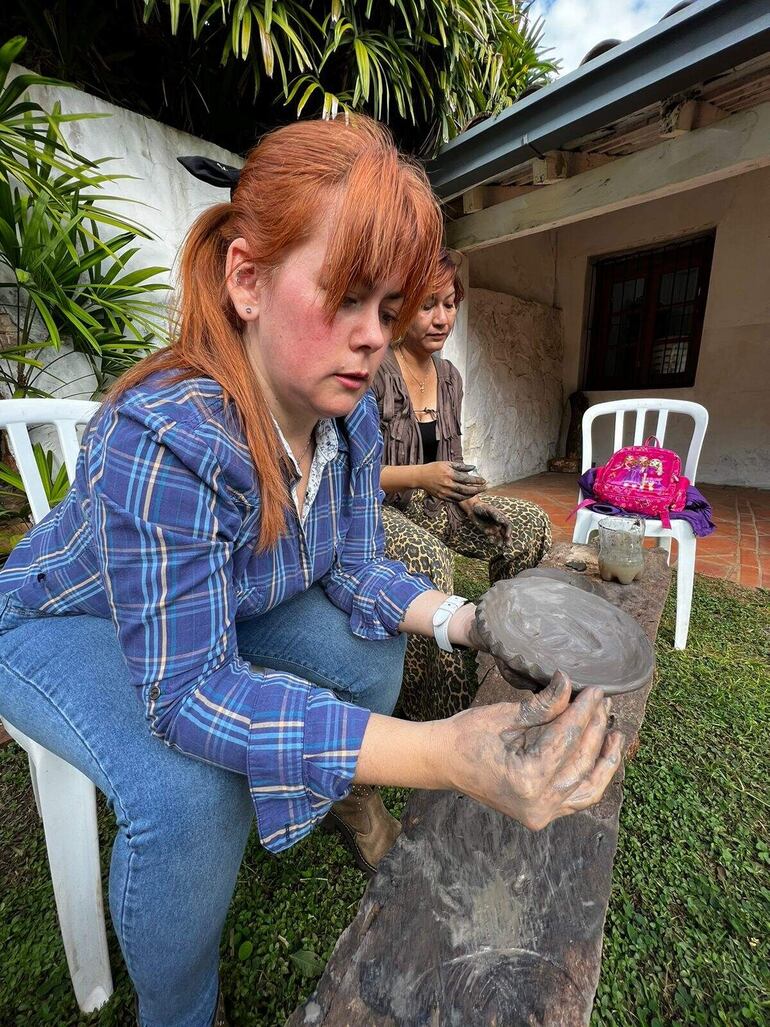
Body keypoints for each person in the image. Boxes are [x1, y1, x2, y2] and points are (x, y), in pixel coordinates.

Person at [0, 116, 621, 1027]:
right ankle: (179, 1010)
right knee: (190, 796)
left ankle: (342, 797)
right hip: (61, 619)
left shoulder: (348, 417)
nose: (373, 338)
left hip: (209, 603)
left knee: (366, 655)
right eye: (347, 297)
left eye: (389, 309)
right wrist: (445, 753)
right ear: (246, 279)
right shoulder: (166, 438)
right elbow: (190, 692)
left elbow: (355, 565)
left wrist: (471, 621)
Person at [374, 251, 552, 720]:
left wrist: (472, 500)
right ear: (401, 306)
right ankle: (434, 704)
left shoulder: (449, 377)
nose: (442, 318)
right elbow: (349, 474)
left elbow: (448, 461)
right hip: (380, 509)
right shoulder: (373, 370)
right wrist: (420, 476)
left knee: (526, 522)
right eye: (427, 304)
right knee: (429, 560)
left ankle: (510, 644)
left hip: (439, 502)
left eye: (450, 305)